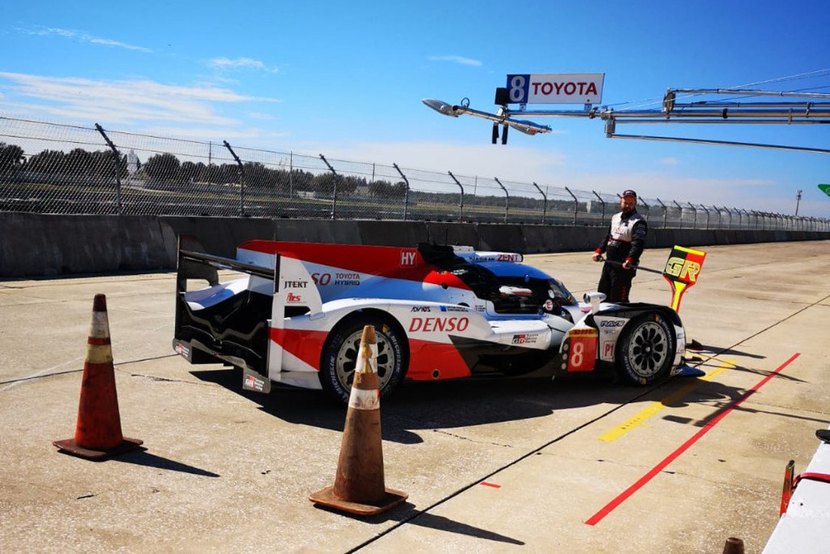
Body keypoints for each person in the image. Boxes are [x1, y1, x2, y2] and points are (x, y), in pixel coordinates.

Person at [592, 189, 647, 302]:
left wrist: (630, 259)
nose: (628, 205)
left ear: (635, 203)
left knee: (618, 300)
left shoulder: (638, 222)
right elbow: (608, 236)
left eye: (631, 203)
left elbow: (638, 244)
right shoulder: (615, 218)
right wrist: (599, 251)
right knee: (601, 296)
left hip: (624, 267)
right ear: (621, 201)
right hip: (609, 263)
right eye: (625, 202)